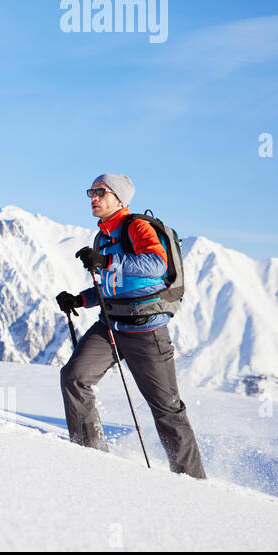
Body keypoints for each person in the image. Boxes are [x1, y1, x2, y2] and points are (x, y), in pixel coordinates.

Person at [55, 173, 207, 478]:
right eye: (91, 192)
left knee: (166, 409)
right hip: (110, 326)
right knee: (74, 377)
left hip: (146, 330)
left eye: (101, 192)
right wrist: (80, 300)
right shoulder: (103, 237)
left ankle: (192, 481)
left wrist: (107, 261)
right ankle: (90, 452)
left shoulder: (136, 227)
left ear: (119, 199)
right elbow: (113, 286)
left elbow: (156, 264)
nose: (93, 198)